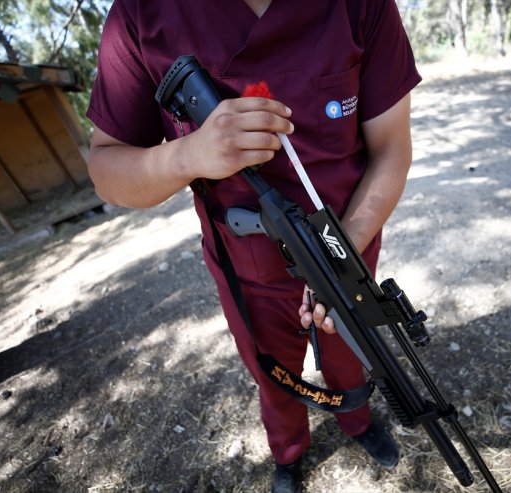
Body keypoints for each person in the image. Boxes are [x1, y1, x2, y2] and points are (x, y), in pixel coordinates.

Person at [86, 1, 422, 492]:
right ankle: (288, 454)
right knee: (272, 370)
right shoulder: (140, 13)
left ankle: (358, 421)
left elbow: (392, 148)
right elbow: (106, 171)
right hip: (245, 262)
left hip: (347, 242)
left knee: (351, 348)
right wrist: (188, 155)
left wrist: (336, 259)